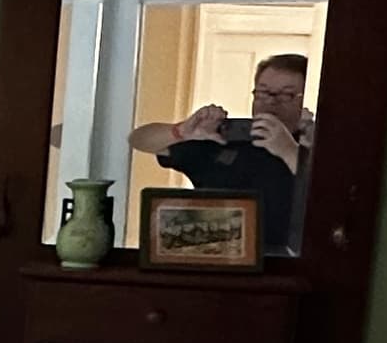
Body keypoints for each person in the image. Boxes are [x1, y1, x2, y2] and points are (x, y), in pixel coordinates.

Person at [126, 52, 314, 255]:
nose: (271, 102)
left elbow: (331, 196)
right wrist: (182, 131)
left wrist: (289, 151)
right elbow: (139, 139)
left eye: (286, 95)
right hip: (213, 261)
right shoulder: (224, 137)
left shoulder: (312, 148)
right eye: (263, 92)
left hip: (286, 269)